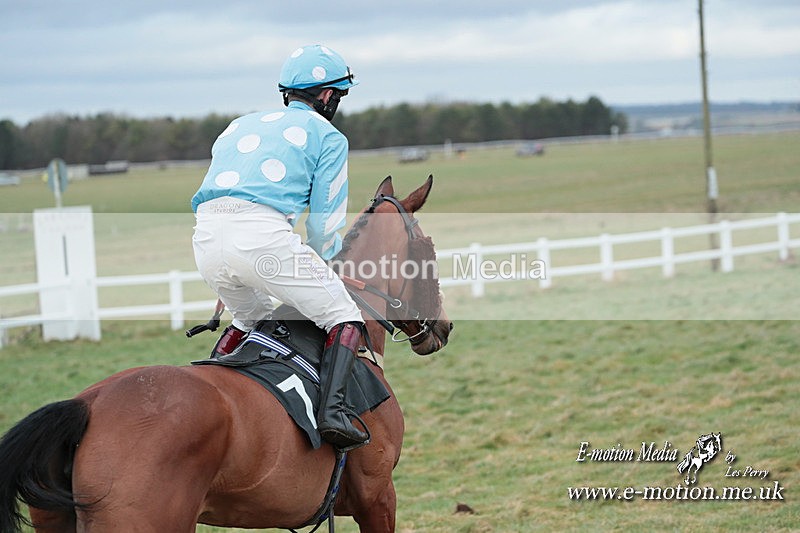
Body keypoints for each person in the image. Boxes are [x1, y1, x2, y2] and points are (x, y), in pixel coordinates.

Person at [191, 44, 368, 450]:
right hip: (260, 237)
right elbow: (324, 225)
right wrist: (327, 263)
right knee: (343, 315)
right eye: (337, 96)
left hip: (205, 238)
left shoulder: (237, 125)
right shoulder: (328, 135)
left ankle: (207, 376)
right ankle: (333, 414)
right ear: (327, 95)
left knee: (249, 319)